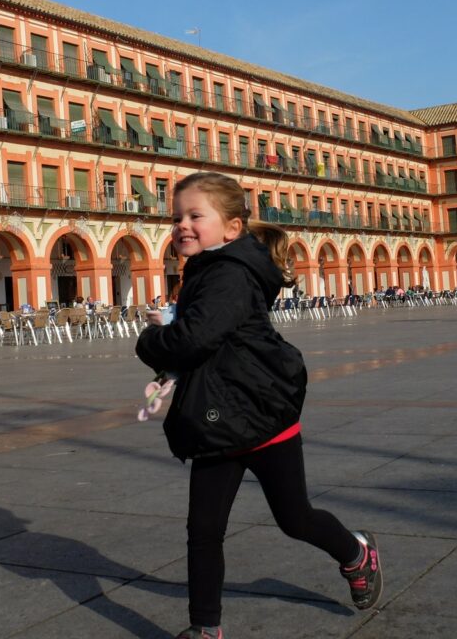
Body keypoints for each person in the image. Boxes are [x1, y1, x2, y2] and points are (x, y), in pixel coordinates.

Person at [135, 172, 380, 639]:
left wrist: (153, 339)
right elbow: (207, 332)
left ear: (232, 228)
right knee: (203, 530)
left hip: (261, 416)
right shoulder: (211, 271)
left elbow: (196, 339)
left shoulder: (227, 273)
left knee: (296, 519)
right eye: (176, 217)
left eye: (194, 216)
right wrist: (176, 322)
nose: (181, 225)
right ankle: (205, 629)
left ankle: (356, 552)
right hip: (218, 418)